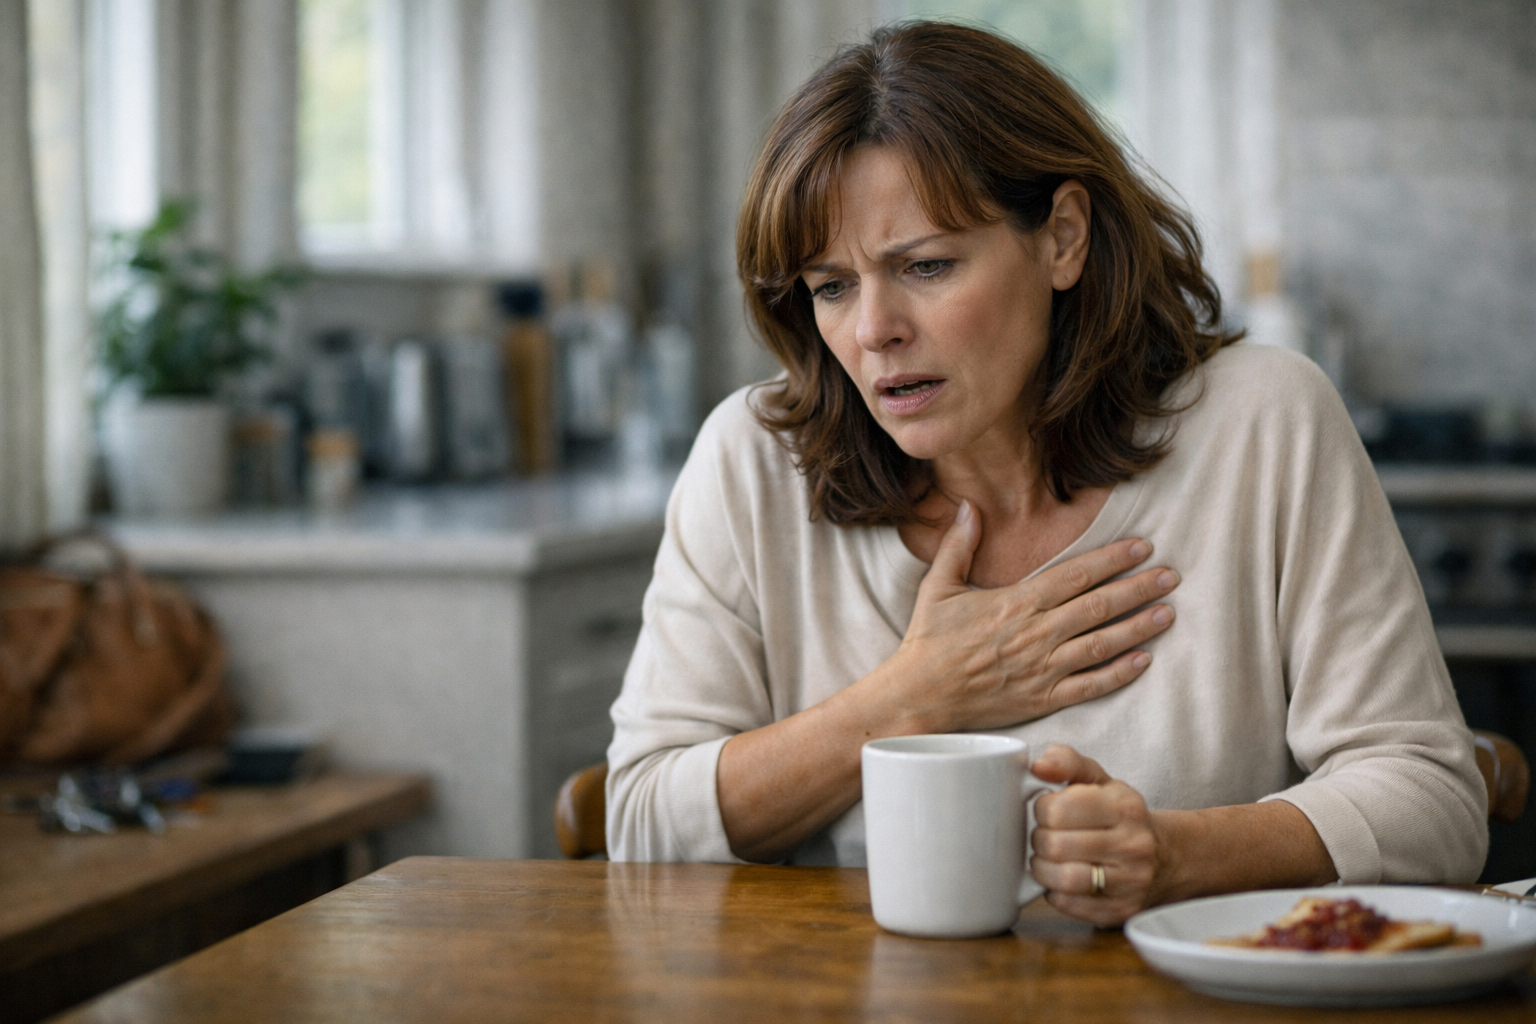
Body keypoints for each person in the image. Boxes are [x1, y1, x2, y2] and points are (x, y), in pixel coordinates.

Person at [605, 21, 1487, 925]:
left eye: (927, 265)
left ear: (1063, 237)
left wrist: (1178, 856)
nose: (873, 330)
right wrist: (913, 696)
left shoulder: (1265, 423)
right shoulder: (753, 461)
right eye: (832, 286)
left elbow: (1433, 802)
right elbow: (640, 824)